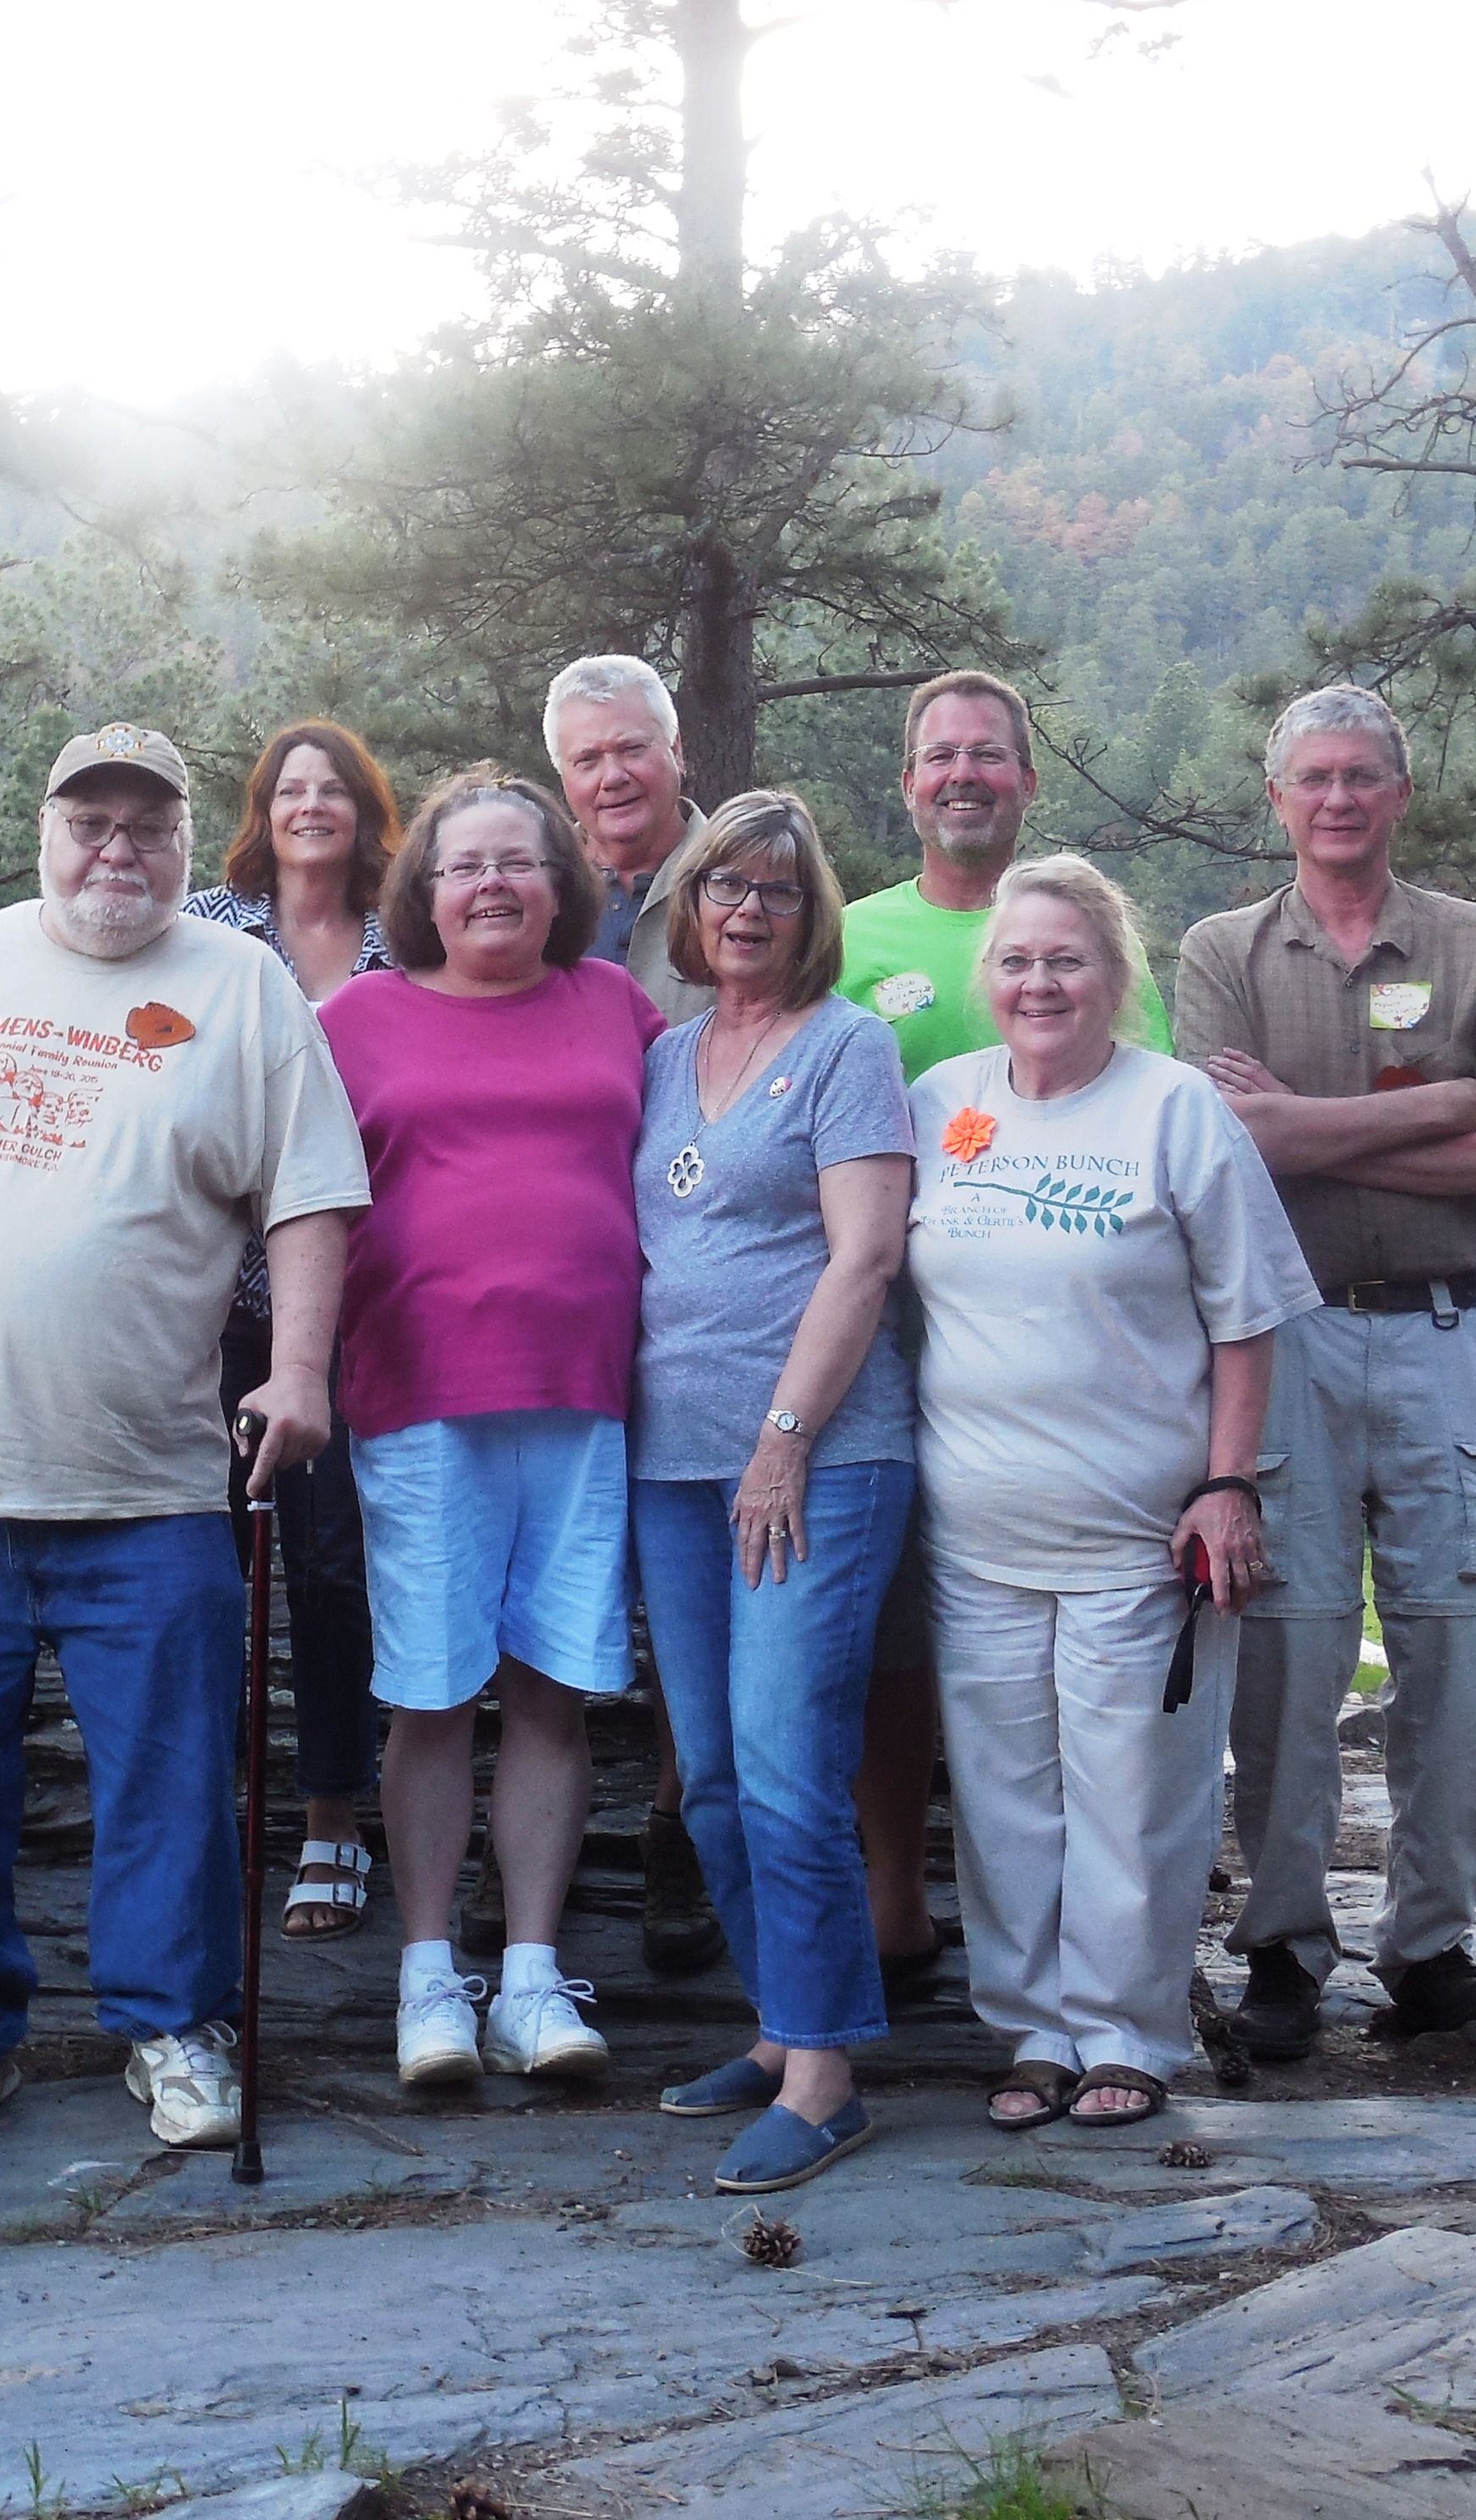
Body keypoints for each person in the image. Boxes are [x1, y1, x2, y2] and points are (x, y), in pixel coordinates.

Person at [0, 724, 371, 2151]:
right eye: (89, 819)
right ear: (41, 828)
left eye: (147, 826)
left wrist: (303, 1372)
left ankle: (171, 2027)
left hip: (149, 1470)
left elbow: (312, 1196)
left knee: (165, 1769)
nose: (116, 850)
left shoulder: (244, 982)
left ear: (182, 840)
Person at [1177, 686, 1476, 2057]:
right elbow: (1233, 1151)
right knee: (1282, 1651)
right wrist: (1445, 1100)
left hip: (1450, 1336)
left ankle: (1433, 1947)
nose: (1338, 799)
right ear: (1275, 798)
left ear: (1402, 794)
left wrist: (1312, 1123)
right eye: (1314, 779)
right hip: (1282, 1346)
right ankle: (1283, 1950)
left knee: (1455, 1646)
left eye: (1363, 777)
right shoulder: (1222, 954)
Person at [914, 854, 1316, 2128]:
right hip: (975, 1532)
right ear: (991, 978)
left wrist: (1227, 1483)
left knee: (1137, 1790)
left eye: (1067, 959)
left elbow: (1248, 1320)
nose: (1042, 982)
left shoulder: (1175, 1109)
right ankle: (1030, 2031)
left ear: (1114, 976)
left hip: (1142, 1538)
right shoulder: (938, 1104)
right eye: (1020, 961)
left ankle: (1130, 2032)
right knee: (1003, 1800)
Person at [833, 671, 1174, 1987]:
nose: (964, 774)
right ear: (908, 782)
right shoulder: (853, 938)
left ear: (1028, 781)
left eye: (990, 755)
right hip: (882, 1338)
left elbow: (1150, 1127)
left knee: (1059, 1659)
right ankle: (897, 1895)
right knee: (892, 1634)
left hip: (1065, 1370)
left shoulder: (1083, 940)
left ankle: (1094, 1939)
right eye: (940, 756)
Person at [321, 769, 660, 2091]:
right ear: (424, 889)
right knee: (428, 1690)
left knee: (554, 1692)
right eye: (465, 866)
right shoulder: (356, 1018)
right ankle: (427, 1983)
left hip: (587, 1393)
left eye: (521, 862)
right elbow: (287, 1198)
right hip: (418, 1395)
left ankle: (529, 1978)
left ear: (562, 882)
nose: (495, 885)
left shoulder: (617, 1008)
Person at [628, 792, 916, 2195]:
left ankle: (824, 2079)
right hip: (669, 1466)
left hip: (810, 1464)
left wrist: (785, 1436)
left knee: (790, 1767)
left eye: (778, 892)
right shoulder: (663, 1055)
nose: (747, 910)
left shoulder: (847, 1048)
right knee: (715, 1785)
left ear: (813, 918)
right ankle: (775, 2023)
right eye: (724, 886)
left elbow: (863, 1259)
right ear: (688, 906)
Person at [184, 721, 401, 1941]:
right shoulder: (210, 925)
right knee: (203, 1568)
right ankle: (208, 1812)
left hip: (352, 1301)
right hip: (206, 1303)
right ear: (261, 809)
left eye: (334, 790)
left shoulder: (401, 939)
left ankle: (332, 1816)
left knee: (328, 1565)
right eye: (289, 789)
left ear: (368, 812)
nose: (310, 807)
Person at [539, 653, 723, 1976]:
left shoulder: (740, 877)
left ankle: (679, 1832)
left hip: (705, 1281)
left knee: (690, 1586)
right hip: (562, 1275)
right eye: (588, 758)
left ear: (674, 753)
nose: (613, 776)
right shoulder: (536, 890)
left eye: (633, 750)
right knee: (557, 1565)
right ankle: (531, 1842)